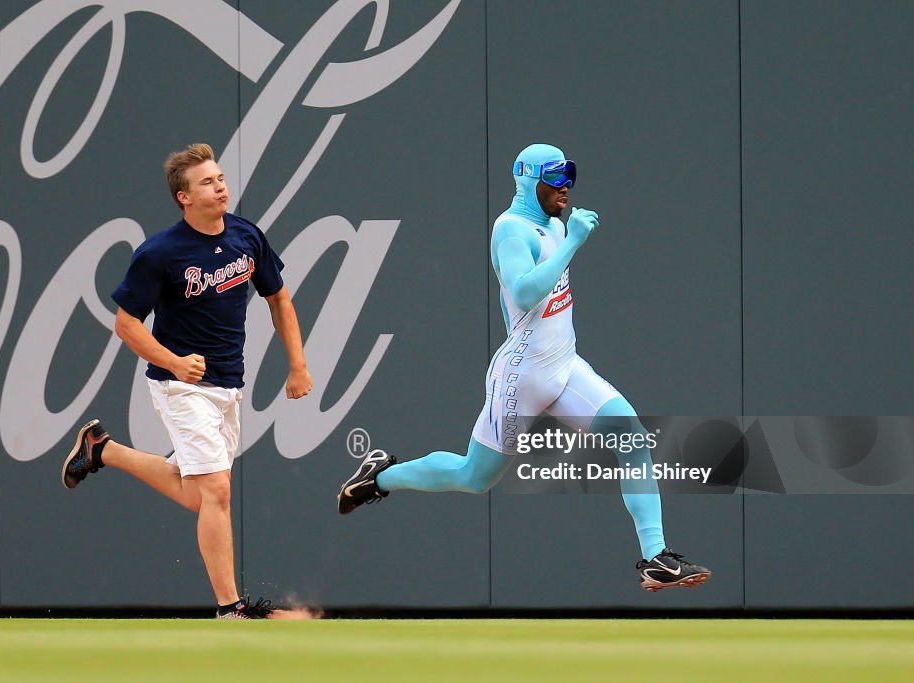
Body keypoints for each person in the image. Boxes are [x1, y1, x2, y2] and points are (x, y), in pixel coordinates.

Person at [337, 143, 710, 592]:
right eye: (555, 179)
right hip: (523, 375)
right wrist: (573, 242)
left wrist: (565, 236)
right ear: (531, 182)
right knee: (474, 477)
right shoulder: (512, 230)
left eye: (569, 177)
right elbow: (525, 291)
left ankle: (656, 559)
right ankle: (379, 477)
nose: (565, 188)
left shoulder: (551, 223)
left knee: (631, 437)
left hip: (565, 365)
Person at [62, 143, 312, 618]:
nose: (220, 187)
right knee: (216, 491)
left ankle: (102, 449)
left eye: (220, 178)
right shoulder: (160, 252)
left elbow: (278, 298)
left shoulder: (246, 236)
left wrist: (297, 365)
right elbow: (126, 323)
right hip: (180, 385)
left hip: (226, 384)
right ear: (184, 197)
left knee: (201, 496)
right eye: (207, 182)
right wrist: (174, 362)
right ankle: (230, 609)